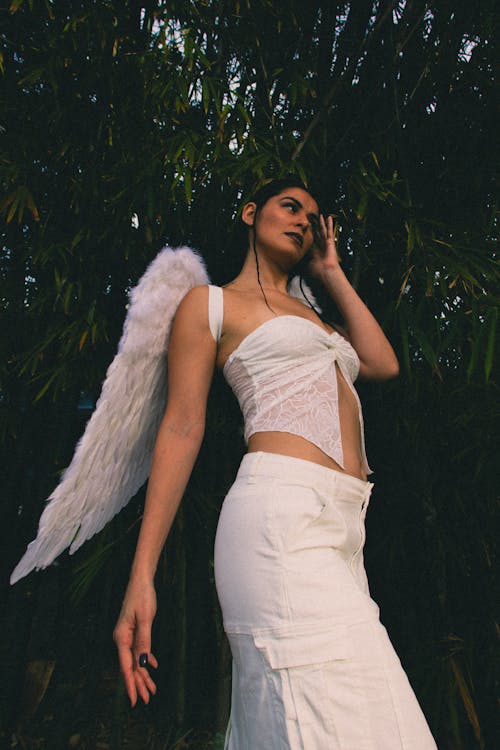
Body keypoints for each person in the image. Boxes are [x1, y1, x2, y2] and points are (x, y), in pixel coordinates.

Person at [113, 177, 438, 748]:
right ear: (249, 214)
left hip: (343, 531)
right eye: (290, 207)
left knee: (372, 719)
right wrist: (142, 575)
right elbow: (183, 426)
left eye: (313, 217)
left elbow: (382, 363)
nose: (304, 222)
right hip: (278, 522)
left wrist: (330, 271)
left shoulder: (316, 316)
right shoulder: (210, 303)